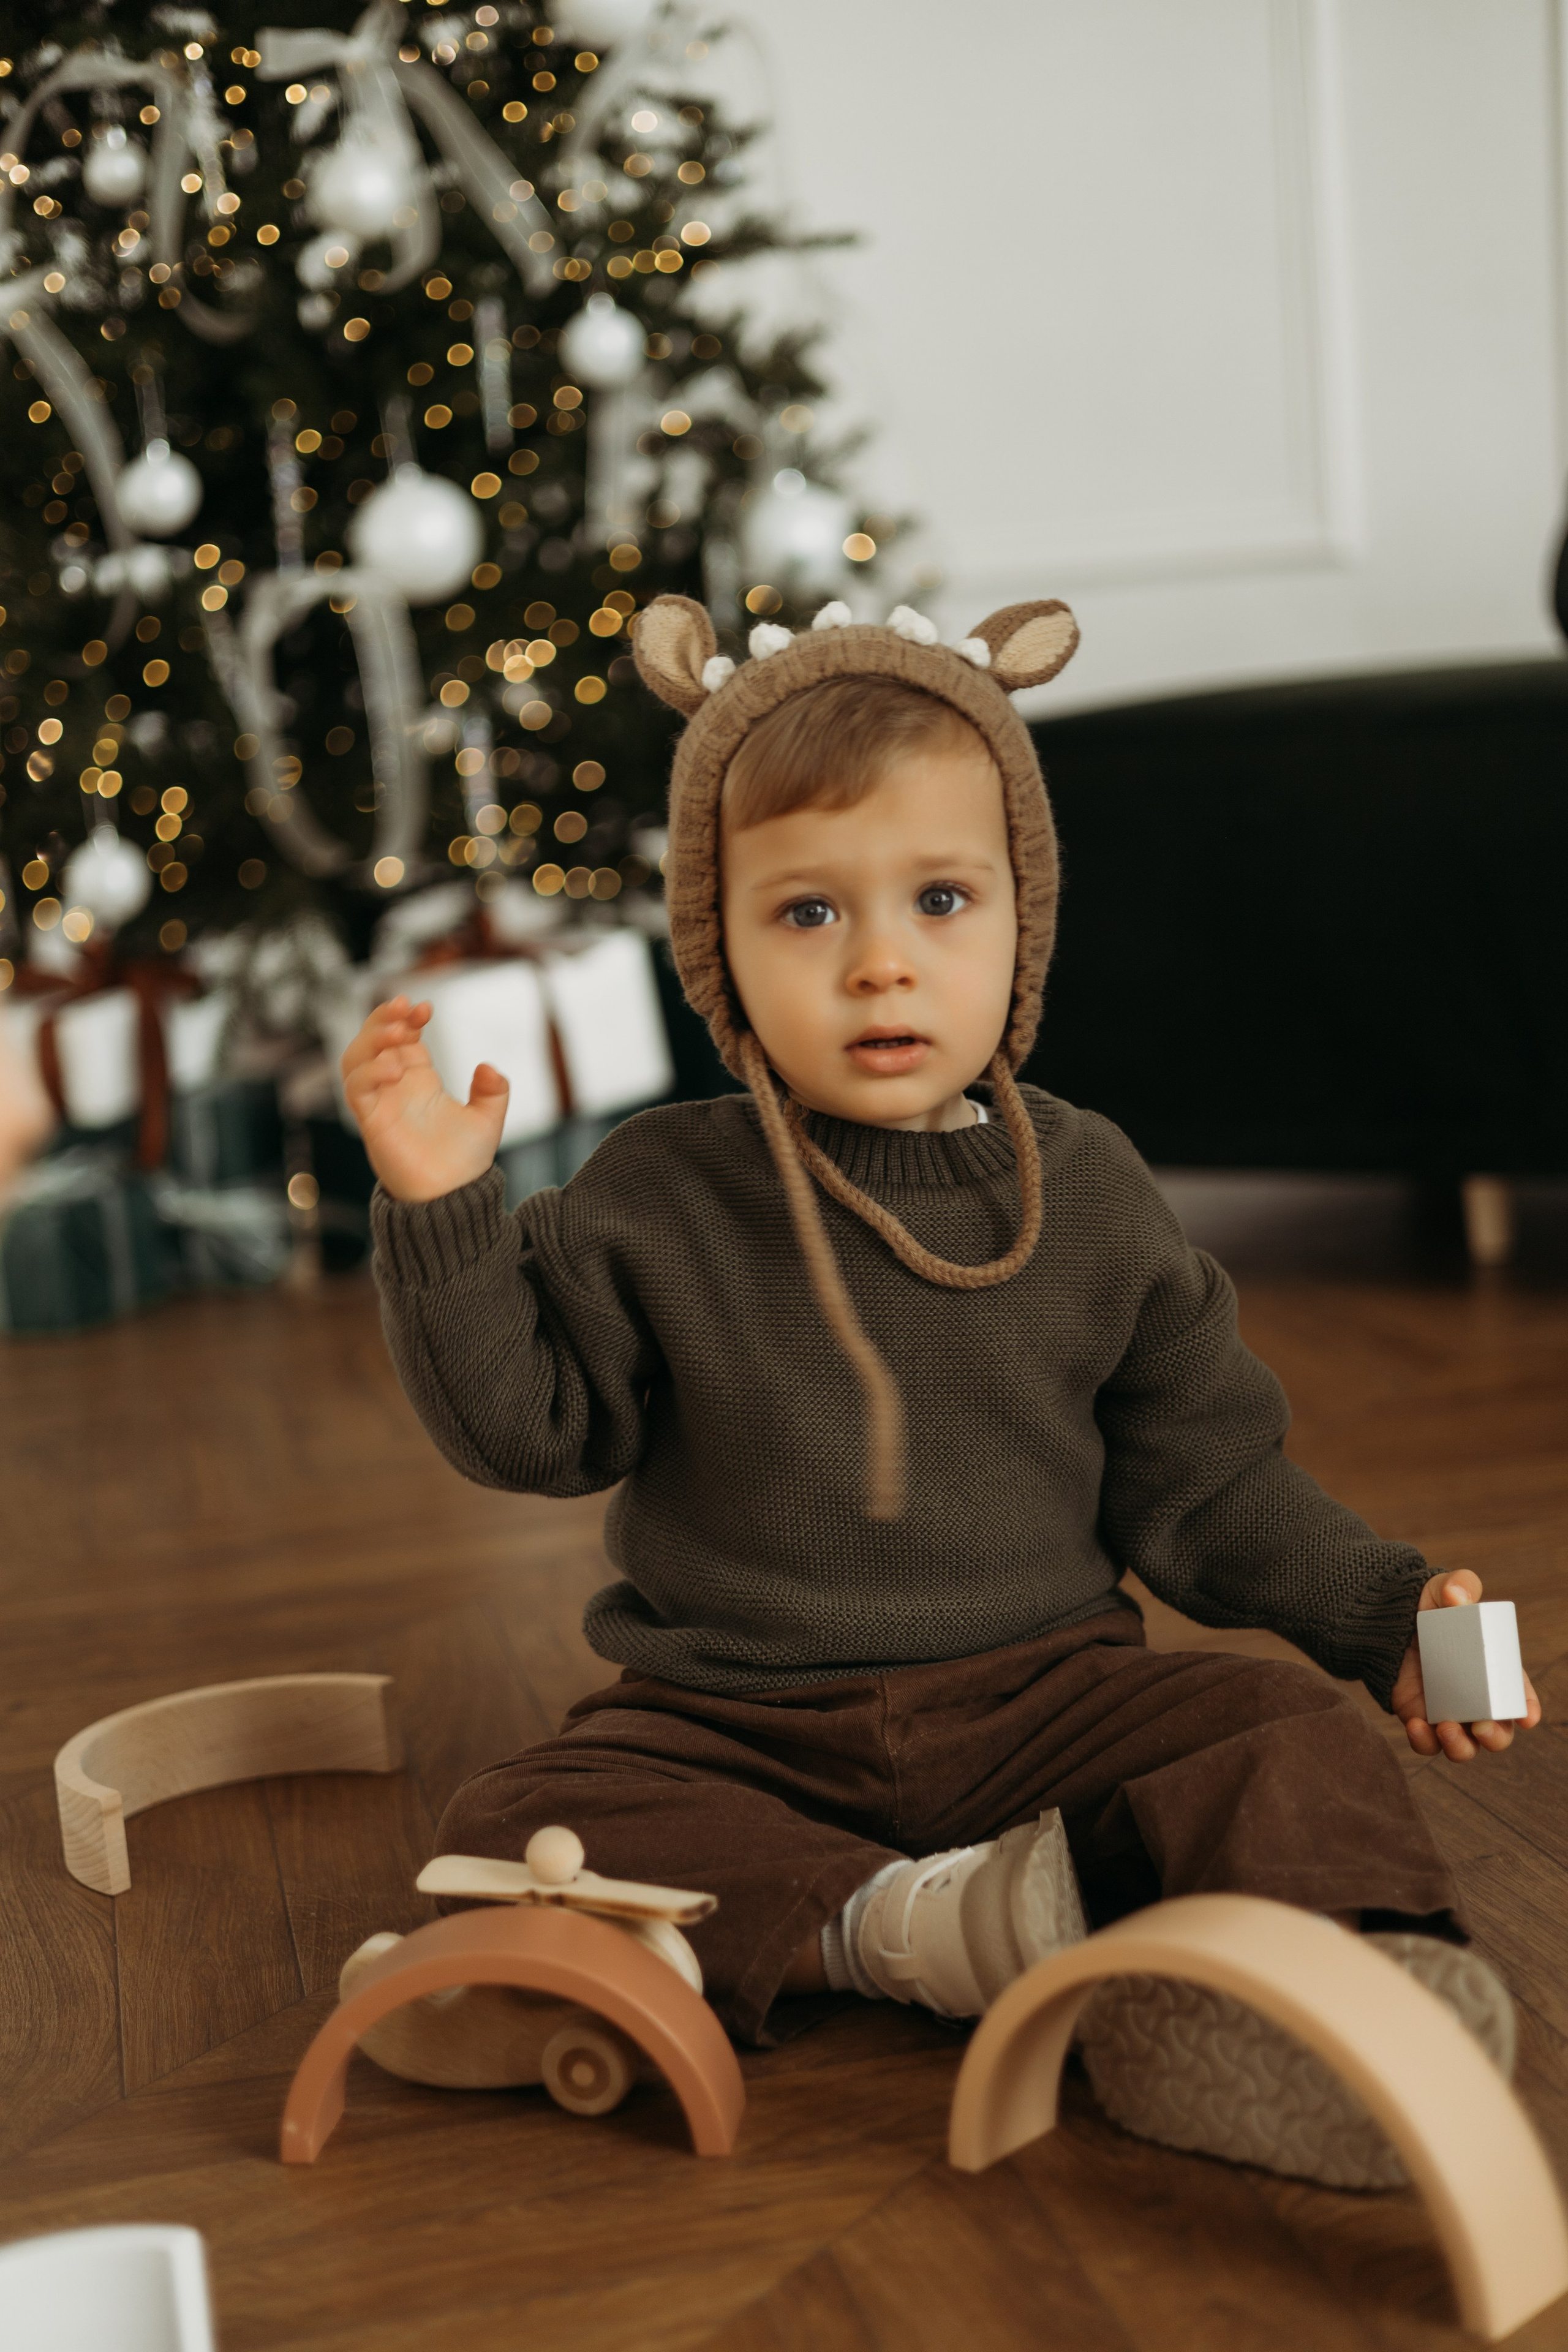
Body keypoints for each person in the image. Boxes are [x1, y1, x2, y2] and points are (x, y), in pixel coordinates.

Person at [341, 593, 1539, 2188]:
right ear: (720, 946)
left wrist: (1389, 1615)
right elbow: (533, 1431)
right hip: (735, 1724)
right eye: (809, 917)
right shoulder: (658, 1189)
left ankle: (1331, 2006)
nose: (884, 963)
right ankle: (922, 1932)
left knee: (1270, 1734)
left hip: (1047, 1701)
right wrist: (443, 1217)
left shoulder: (1094, 1190)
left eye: (942, 900)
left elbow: (1209, 1487)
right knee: (512, 1818)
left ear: (1021, 923)